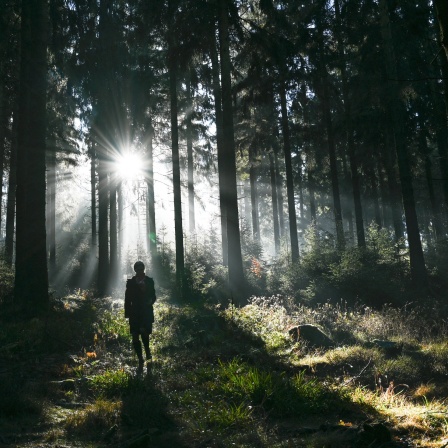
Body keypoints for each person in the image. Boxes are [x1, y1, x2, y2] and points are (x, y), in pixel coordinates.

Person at [125, 261, 156, 373]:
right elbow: (127, 299)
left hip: (146, 311)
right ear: (135, 270)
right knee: (134, 335)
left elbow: (153, 296)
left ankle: (147, 352)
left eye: (141, 269)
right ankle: (140, 359)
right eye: (137, 269)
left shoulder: (149, 281)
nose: (139, 271)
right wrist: (127, 313)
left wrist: (150, 301)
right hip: (134, 312)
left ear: (143, 269)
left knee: (144, 333)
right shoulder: (131, 282)